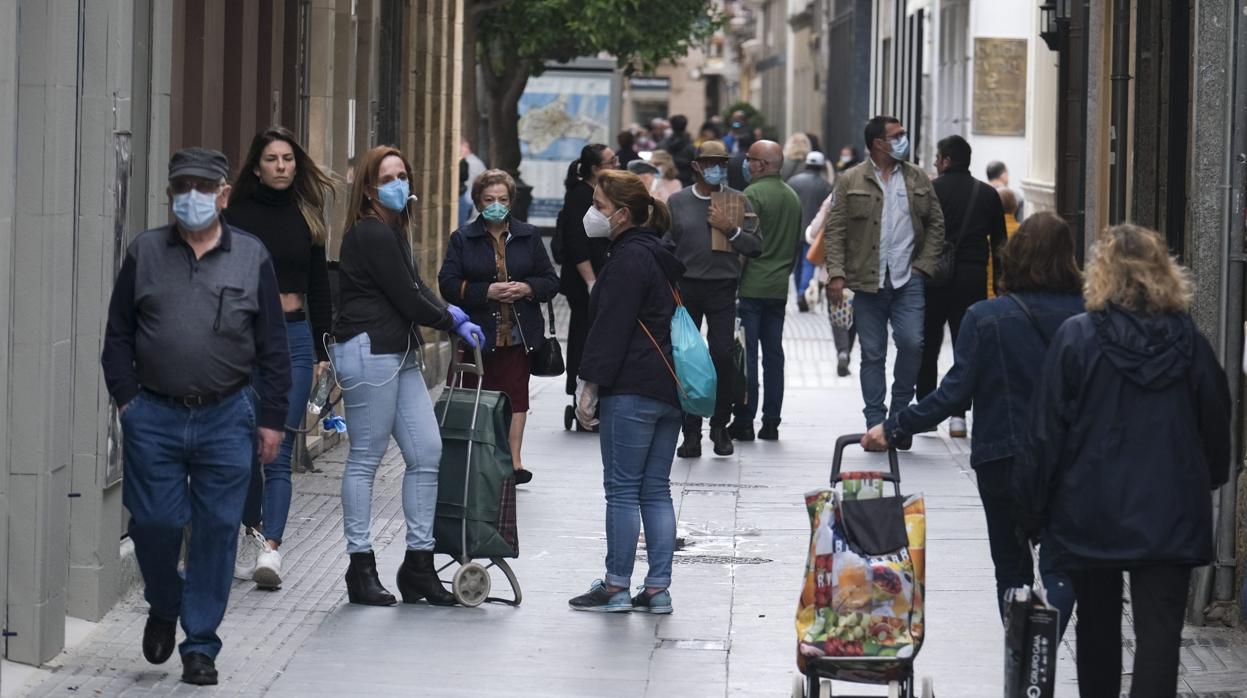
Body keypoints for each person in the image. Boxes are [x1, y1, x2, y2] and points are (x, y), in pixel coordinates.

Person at [1013, 223, 1231, 698]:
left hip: (1091, 511)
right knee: (1159, 638)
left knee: (1096, 634)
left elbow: (1045, 434)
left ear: (1101, 273)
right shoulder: (1190, 343)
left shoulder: (1077, 339)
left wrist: (1030, 511)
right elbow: (1217, 424)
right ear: (1163, 273)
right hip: (1169, 512)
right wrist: (1208, 478)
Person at [102, 147, 291, 686]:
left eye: (203, 188)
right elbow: (117, 334)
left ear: (224, 195)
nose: (192, 197)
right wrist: (127, 401)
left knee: (216, 529)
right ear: (169, 194)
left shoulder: (251, 256)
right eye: (182, 187)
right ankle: (165, 601)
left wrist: (271, 418)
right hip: (153, 416)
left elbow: (273, 347)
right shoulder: (145, 253)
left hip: (227, 414)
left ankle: (200, 643)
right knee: (154, 522)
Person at [862, 211, 1083, 633]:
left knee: (1011, 566)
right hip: (1068, 459)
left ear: (1014, 256)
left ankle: (1022, 653)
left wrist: (894, 428)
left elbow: (954, 393)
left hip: (1003, 455)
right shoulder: (1088, 316)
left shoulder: (985, 317)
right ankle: (1044, 647)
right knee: (1062, 561)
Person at [332, 145, 484, 607]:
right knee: (366, 458)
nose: (400, 184)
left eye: (404, 175)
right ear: (369, 189)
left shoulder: (392, 231)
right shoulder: (372, 234)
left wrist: (447, 310)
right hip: (369, 351)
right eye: (390, 177)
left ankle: (418, 564)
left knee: (427, 452)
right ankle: (360, 566)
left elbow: (416, 288)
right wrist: (451, 319)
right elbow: (407, 297)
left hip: (396, 352)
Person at [223, 126, 335, 590]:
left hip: (292, 338)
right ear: (257, 166)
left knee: (281, 449)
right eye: (272, 159)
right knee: (246, 444)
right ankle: (247, 534)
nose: (282, 166)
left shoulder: (307, 217)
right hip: (245, 337)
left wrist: (322, 349)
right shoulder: (236, 216)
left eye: (288, 159)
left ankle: (271, 549)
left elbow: (321, 286)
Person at [568, 169, 685, 614]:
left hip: (632, 387)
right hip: (668, 387)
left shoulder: (625, 260)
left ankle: (616, 584)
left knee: (621, 489)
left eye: (598, 206)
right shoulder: (658, 255)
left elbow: (611, 328)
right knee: (656, 490)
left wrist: (589, 384)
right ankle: (658, 589)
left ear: (621, 214)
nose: (592, 213)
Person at [824, 116, 945, 443]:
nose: (904, 139)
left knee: (912, 344)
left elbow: (936, 225)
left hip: (909, 281)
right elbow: (834, 231)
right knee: (873, 354)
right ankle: (875, 422)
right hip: (866, 283)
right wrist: (835, 273)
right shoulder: (850, 180)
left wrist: (924, 265)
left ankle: (899, 419)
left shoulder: (918, 177)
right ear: (879, 143)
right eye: (898, 135)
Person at [438, 169, 559, 485]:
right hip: (478, 334)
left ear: (511, 201)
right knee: (479, 394)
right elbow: (448, 285)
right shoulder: (463, 238)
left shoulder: (528, 236)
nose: (496, 205)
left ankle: (513, 461)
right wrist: (485, 291)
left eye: (502, 199)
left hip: (519, 332)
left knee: (516, 396)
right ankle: (477, 457)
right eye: (489, 199)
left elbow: (550, 281)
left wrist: (527, 288)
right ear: (478, 201)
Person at [664, 140, 762, 458]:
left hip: (722, 288)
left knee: (722, 356)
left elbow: (755, 246)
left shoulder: (737, 200)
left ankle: (720, 426)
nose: (716, 168)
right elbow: (665, 244)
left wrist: (730, 229)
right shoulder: (677, 202)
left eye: (721, 162)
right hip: (687, 289)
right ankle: (690, 431)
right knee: (688, 361)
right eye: (709, 162)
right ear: (696, 166)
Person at [917, 135, 1006, 439]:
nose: (934, 164)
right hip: (972, 276)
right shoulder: (988, 194)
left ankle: (927, 411)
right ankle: (959, 415)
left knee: (928, 343)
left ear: (946, 160)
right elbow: (1000, 244)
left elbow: (915, 233)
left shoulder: (930, 190)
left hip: (934, 276)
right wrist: (999, 283)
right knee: (966, 344)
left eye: (936, 158)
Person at [728, 140, 803, 442]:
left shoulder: (751, 195)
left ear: (761, 165)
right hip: (778, 287)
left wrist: (735, 280)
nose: (746, 164)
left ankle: (745, 418)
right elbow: (796, 245)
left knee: (748, 355)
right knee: (774, 355)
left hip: (751, 287)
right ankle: (771, 421)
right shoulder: (792, 197)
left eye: (749, 159)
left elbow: (746, 245)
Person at [555, 144, 617, 415]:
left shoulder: (605, 192)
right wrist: (591, 282)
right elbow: (576, 243)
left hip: (603, 277)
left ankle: (596, 393)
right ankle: (581, 397)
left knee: (601, 336)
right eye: (611, 160)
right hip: (584, 282)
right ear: (595, 168)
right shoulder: (580, 196)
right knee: (583, 336)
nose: (617, 163)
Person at [805, 193, 857, 376]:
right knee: (854, 316)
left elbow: (813, 233)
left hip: (833, 270)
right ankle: (846, 352)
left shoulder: (833, 198)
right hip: (862, 270)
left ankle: (842, 351)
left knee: (838, 315)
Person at [787, 151, 834, 312]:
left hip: (793, 229)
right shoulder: (826, 186)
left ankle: (800, 293)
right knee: (809, 263)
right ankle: (803, 294)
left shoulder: (793, 181)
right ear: (821, 166)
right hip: (813, 232)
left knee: (796, 265)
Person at [658, 114, 697, 186]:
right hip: (686, 184)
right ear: (685, 126)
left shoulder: (662, 145)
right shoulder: (691, 147)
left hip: (666, 183)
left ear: (671, 126)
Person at [458, 138, 487, 228]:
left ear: (465, 147)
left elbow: (466, 194)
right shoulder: (474, 161)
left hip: (471, 216)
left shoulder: (471, 163)